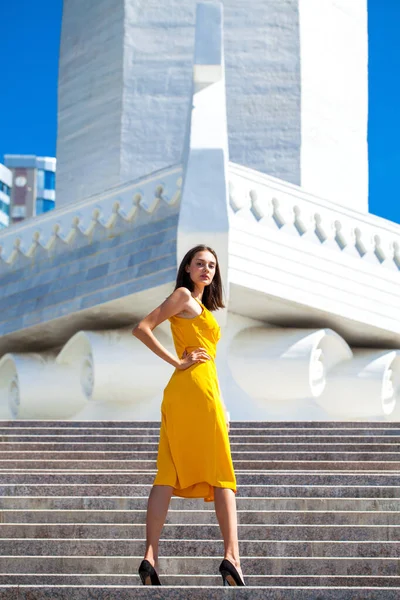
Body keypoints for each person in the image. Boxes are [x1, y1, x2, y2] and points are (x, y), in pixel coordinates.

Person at [132, 244, 245, 587]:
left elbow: (209, 362)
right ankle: (232, 556)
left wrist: (221, 404)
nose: (206, 269)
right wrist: (177, 361)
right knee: (222, 473)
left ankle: (150, 558)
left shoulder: (199, 304)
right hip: (193, 388)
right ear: (187, 268)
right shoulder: (182, 295)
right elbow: (143, 327)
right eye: (200, 263)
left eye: (211, 265)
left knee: (167, 471)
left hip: (196, 391)